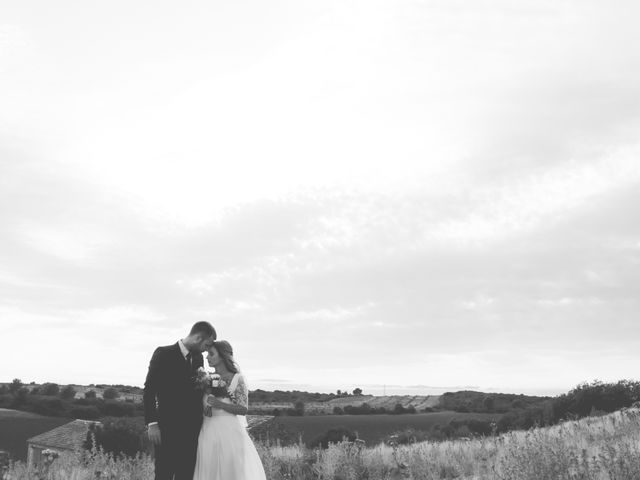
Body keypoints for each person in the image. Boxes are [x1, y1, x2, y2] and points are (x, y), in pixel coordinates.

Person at [144, 321, 217, 480]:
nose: (206, 350)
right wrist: (152, 423)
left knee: (186, 474)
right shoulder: (163, 353)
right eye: (207, 344)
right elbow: (149, 390)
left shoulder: (198, 358)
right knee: (164, 473)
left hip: (192, 429)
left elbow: (196, 391)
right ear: (198, 338)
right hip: (166, 428)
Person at [192, 340, 267, 480]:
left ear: (222, 356)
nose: (207, 357)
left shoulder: (237, 379)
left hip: (230, 434)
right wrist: (207, 408)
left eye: (211, 354)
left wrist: (220, 405)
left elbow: (243, 409)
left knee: (231, 472)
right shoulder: (206, 379)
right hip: (207, 432)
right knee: (209, 470)